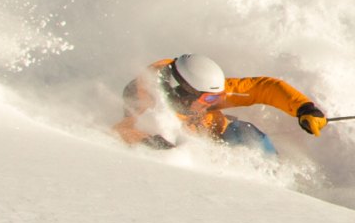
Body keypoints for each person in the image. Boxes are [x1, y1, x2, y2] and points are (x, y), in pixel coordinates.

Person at [114, 52, 327, 157]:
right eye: (208, 99)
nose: (215, 103)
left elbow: (264, 88)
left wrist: (304, 108)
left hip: (218, 140)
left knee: (246, 134)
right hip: (196, 162)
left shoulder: (207, 90)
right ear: (182, 93)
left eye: (215, 97)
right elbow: (123, 130)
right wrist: (154, 144)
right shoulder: (149, 99)